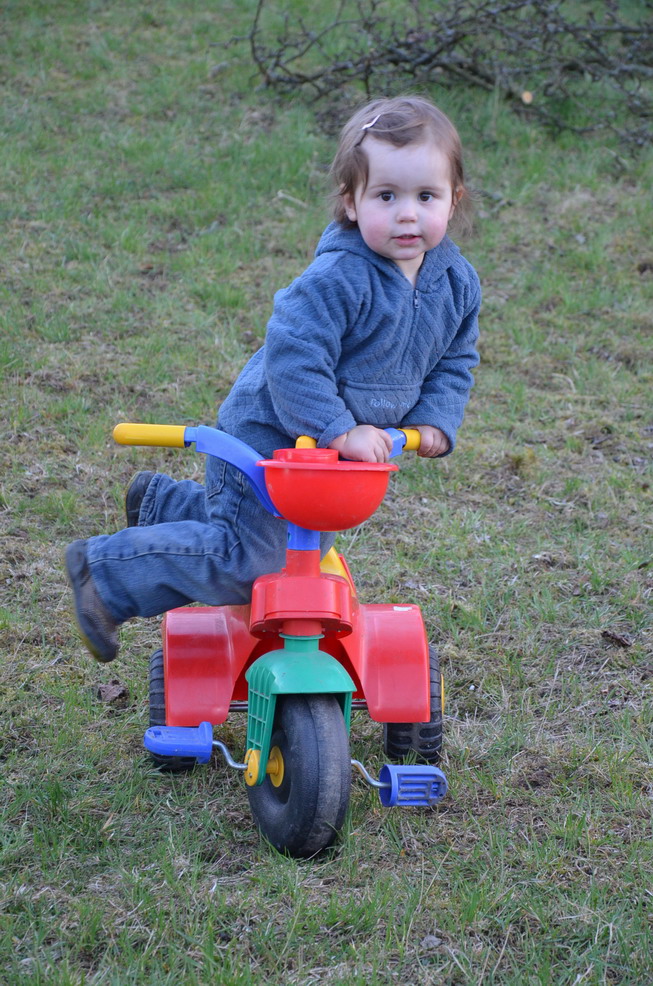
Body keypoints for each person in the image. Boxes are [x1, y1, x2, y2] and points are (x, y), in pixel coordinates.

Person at [65, 95, 481, 663]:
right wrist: (340, 429)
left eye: (425, 196)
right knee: (253, 564)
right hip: (271, 436)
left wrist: (434, 418)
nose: (407, 214)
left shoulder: (456, 283)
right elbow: (294, 356)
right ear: (351, 201)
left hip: (331, 457)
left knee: (293, 542)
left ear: (454, 200)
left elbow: (455, 359)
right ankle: (107, 573)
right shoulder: (339, 276)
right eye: (386, 195)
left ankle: (164, 505)